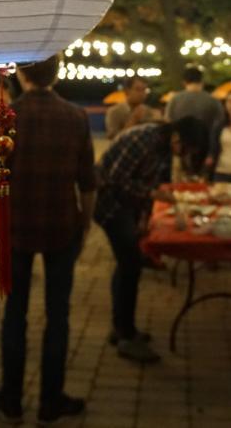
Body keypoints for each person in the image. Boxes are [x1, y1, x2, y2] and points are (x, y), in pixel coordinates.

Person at [0, 56, 96, 425]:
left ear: (21, 73)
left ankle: (12, 399)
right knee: (58, 316)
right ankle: (51, 401)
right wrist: (85, 223)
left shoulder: (5, 118)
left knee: (14, 315)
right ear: (56, 73)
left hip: (17, 228)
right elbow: (88, 181)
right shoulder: (76, 117)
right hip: (62, 224)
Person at [94, 117, 209, 363]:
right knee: (131, 264)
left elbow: (151, 182)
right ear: (178, 137)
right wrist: (151, 194)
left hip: (127, 206)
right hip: (109, 204)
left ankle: (122, 328)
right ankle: (126, 336)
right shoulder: (143, 139)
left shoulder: (164, 147)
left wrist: (145, 216)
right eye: (186, 149)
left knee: (127, 264)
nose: (184, 154)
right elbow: (115, 179)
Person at [164, 66, 224, 130]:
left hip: (181, 138)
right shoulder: (213, 100)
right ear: (202, 81)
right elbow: (220, 121)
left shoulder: (175, 100)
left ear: (184, 82)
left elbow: (167, 119)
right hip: (206, 138)